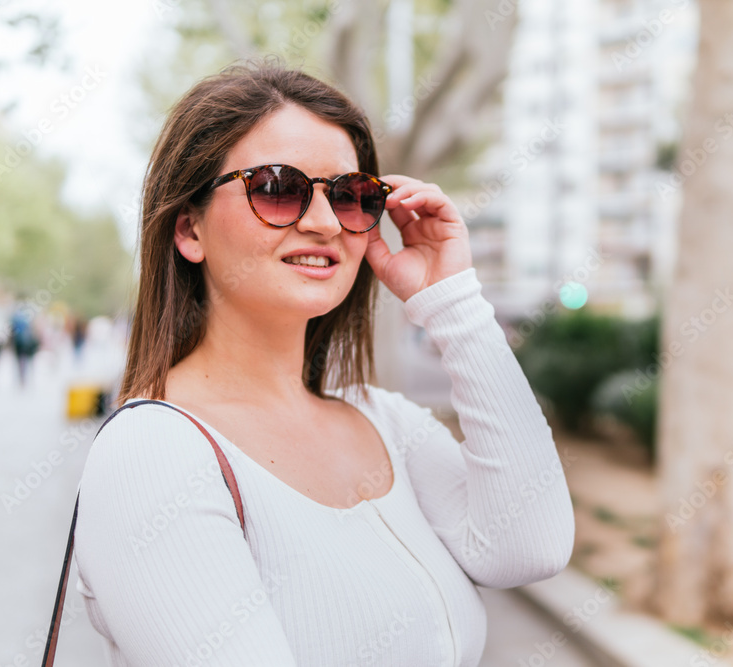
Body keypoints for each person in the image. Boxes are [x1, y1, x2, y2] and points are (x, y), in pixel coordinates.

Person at [71, 58, 575, 666]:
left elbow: (530, 546)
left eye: (349, 195)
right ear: (189, 230)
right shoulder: (152, 453)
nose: (324, 222)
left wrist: (454, 302)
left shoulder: (383, 420)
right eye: (276, 188)